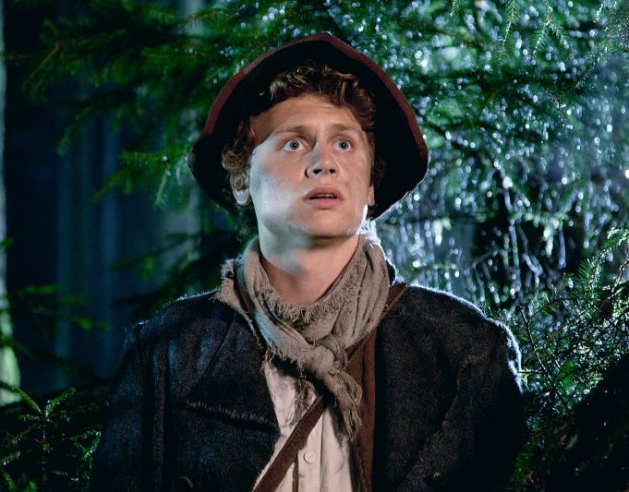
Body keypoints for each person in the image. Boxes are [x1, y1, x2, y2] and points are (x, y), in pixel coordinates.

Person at [90, 33, 527, 491]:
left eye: (345, 144)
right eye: (294, 144)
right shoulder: (167, 353)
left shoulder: (464, 352)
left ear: (371, 183)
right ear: (241, 179)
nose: (324, 163)